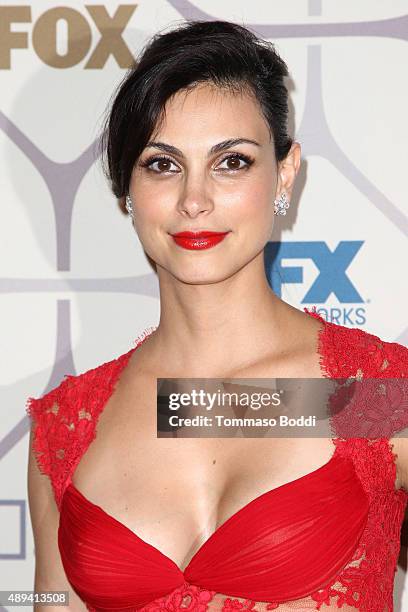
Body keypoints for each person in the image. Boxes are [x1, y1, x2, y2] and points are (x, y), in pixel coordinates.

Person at [26, 19, 408, 612]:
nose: (194, 199)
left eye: (231, 162)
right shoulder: (65, 428)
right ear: (125, 187)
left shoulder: (374, 393)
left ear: (284, 173)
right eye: (162, 164)